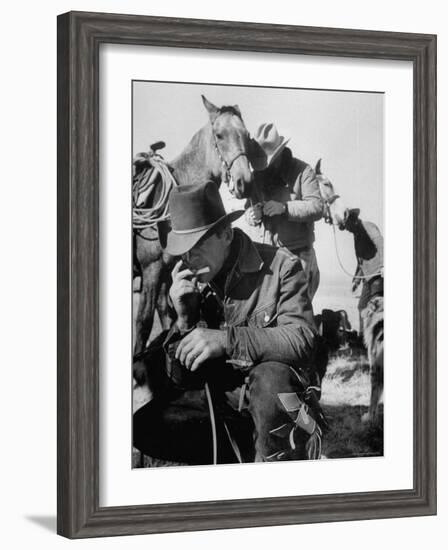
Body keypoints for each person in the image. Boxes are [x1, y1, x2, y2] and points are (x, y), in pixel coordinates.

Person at [133, 181, 327, 465]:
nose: (188, 259)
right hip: (223, 407)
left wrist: (226, 341)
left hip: (273, 406)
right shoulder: (197, 282)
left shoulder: (282, 266)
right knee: (144, 425)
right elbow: (183, 381)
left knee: (272, 378)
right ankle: (236, 460)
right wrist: (185, 319)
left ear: (225, 234)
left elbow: (303, 339)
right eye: (182, 251)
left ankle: (279, 462)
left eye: (196, 247)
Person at [244, 123, 324, 300]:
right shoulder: (258, 176)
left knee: (297, 317)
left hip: (299, 258)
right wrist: (251, 215)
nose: (266, 167)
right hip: (267, 260)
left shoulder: (303, 171)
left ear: (280, 153)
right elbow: (249, 207)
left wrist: (284, 208)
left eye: (269, 161)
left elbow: (317, 207)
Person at [344, 208, 384, 336]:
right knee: (362, 306)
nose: (347, 229)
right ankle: (363, 338)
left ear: (354, 221)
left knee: (375, 308)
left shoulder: (368, 227)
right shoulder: (357, 235)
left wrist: (384, 265)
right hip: (368, 277)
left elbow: (381, 243)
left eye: (348, 226)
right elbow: (361, 261)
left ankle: (378, 339)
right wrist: (356, 280)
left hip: (378, 275)